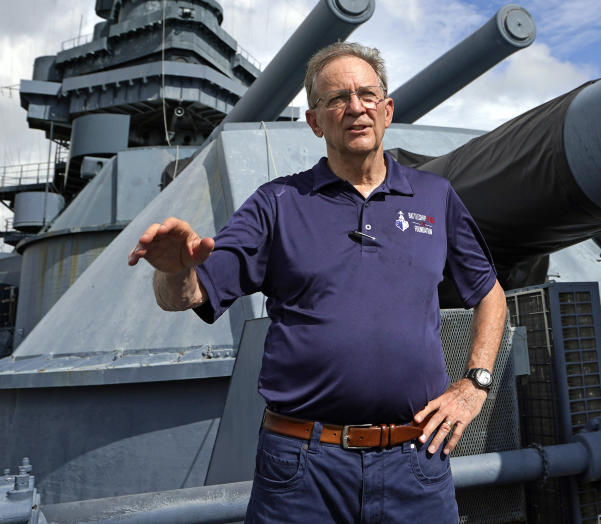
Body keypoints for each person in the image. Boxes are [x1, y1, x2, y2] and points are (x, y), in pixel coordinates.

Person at [128, 41, 507, 523]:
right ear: (314, 121)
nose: (355, 108)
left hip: (416, 462)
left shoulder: (437, 197)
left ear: (387, 110)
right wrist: (174, 269)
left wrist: (475, 383)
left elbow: (490, 294)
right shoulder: (277, 203)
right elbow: (189, 295)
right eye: (336, 99)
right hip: (303, 466)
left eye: (368, 95)